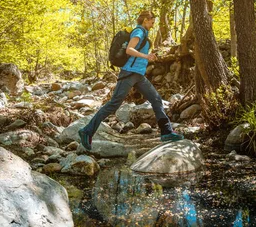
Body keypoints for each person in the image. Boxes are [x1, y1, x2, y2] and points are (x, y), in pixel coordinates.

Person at [79, 11, 184, 150]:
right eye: (152, 22)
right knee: (114, 104)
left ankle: (166, 132)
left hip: (138, 75)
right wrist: (146, 56)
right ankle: (86, 131)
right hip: (129, 73)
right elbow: (129, 50)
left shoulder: (143, 33)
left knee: (156, 99)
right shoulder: (139, 32)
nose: (153, 25)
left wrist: (148, 57)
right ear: (146, 20)